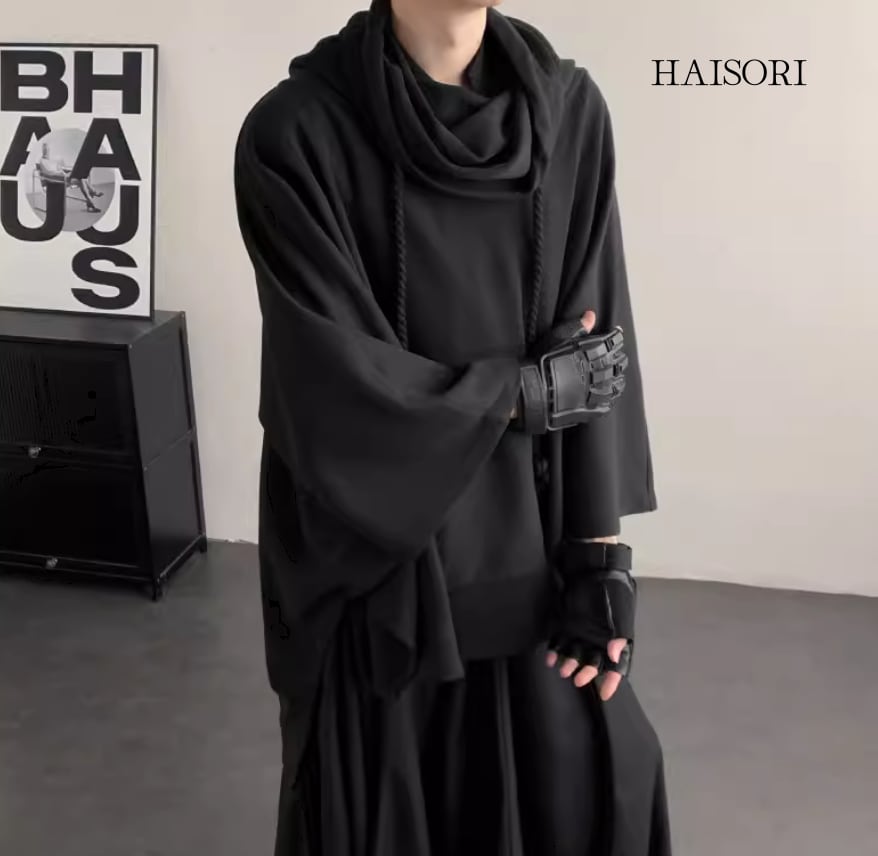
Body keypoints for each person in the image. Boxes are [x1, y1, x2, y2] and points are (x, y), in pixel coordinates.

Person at [234, 1, 671, 854]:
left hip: (533, 544)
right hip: (379, 563)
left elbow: (596, 354)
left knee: (596, 779)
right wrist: (524, 394)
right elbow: (330, 378)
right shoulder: (294, 133)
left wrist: (599, 558)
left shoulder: (571, 111)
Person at [38, 141, 103, 213]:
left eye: (48, 149)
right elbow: (48, 173)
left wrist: (67, 171)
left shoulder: (50, 160)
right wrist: (62, 174)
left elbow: (59, 168)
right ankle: (92, 195)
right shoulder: (42, 161)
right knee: (81, 178)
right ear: (43, 150)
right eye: (45, 150)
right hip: (55, 181)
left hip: (62, 179)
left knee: (81, 178)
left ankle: (90, 201)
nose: (47, 151)